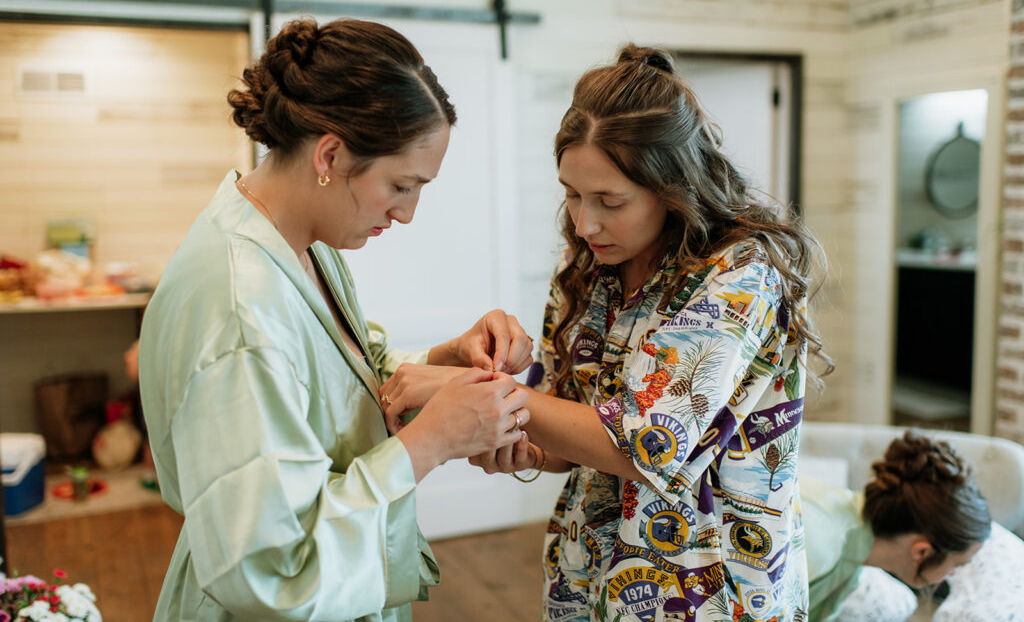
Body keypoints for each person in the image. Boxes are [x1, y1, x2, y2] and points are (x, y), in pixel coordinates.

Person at [381, 45, 831, 621]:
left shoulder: (739, 275)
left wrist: (467, 390)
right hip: (589, 575)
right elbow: (572, 430)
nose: (584, 223)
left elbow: (646, 446)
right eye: (571, 194)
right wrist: (517, 438)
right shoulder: (588, 269)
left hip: (714, 593)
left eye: (609, 201)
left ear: (672, 190)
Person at [138, 18, 534, 622]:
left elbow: (335, 376)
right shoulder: (240, 306)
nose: (406, 214)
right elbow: (267, 568)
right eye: (401, 185)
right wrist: (431, 441)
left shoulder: (298, 239)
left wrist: (443, 358)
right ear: (330, 154)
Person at [802, 431, 991, 621]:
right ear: (922, 551)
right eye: (956, 565)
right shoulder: (820, 546)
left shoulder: (852, 557)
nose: (952, 574)